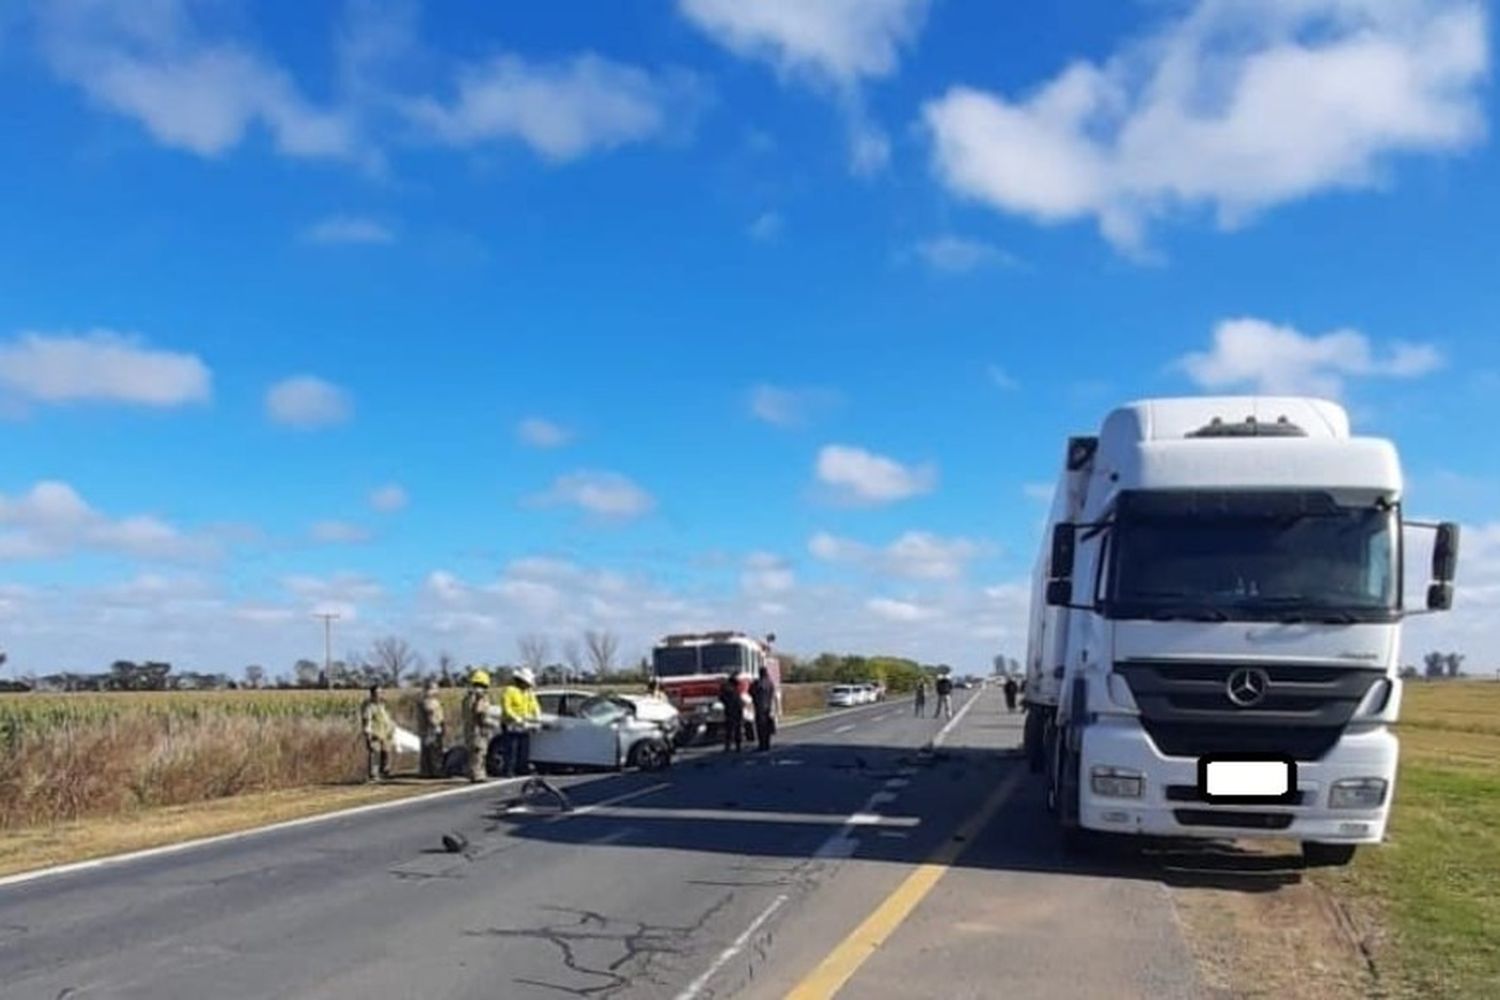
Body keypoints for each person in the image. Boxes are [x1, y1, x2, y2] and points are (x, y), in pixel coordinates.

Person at [500, 667, 542, 777]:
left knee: (524, 748)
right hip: (511, 724)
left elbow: (534, 705)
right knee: (512, 748)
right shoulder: (510, 691)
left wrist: (537, 716)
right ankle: (509, 770)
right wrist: (516, 718)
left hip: (524, 724)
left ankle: (522, 769)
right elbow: (506, 708)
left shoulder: (528, 692)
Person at [461, 669, 494, 783]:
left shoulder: (467, 697)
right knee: (479, 753)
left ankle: (473, 773)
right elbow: (480, 712)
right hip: (478, 729)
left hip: (469, 729)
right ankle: (478, 775)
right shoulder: (480, 696)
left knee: (473, 753)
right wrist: (488, 724)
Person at [360, 685, 395, 782]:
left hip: (385, 733)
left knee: (386, 753)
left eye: (381, 693)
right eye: (377, 693)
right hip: (375, 733)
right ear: (372, 694)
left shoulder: (383, 705)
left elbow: (387, 718)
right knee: (375, 754)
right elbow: (367, 720)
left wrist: (391, 728)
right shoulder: (369, 706)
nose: (379, 695)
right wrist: (368, 733)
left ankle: (384, 772)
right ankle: (373, 775)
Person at [418, 679, 446, 778]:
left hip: (426, 730)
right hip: (431, 729)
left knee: (427, 751)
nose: (437, 690)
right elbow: (431, 715)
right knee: (435, 750)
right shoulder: (429, 702)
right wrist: (437, 726)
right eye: (435, 688)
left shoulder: (425, 700)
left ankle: (426, 772)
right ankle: (436, 771)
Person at [750, 666, 777, 753]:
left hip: (759, 707)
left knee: (760, 727)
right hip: (768, 706)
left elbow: (751, 692)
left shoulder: (757, 683)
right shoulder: (770, 683)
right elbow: (772, 694)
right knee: (767, 726)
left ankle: (762, 744)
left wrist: (755, 700)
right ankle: (767, 744)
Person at [719, 672, 745, 753]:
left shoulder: (726, 687)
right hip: (737, 709)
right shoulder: (735, 688)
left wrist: (726, 704)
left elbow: (721, 698)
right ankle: (738, 746)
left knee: (729, 729)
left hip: (730, 710)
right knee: (737, 728)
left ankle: (728, 746)